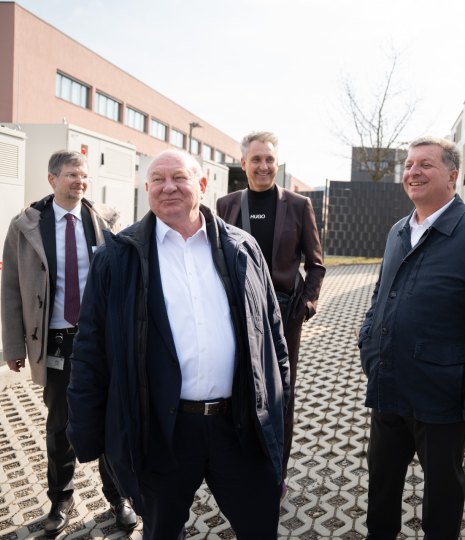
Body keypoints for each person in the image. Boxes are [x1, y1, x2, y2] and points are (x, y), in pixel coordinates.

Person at [66, 149, 290, 539]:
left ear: (202, 185)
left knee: (259, 527)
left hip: (238, 426)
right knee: (162, 531)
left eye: (180, 178)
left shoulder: (243, 249)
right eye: (158, 179)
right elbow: (90, 353)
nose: (168, 187)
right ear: (147, 188)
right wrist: (87, 432)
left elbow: (272, 336)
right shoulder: (117, 258)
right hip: (160, 431)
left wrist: (278, 405)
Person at [358, 136, 465, 539]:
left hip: (442, 396)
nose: (413, 172)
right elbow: (380, 294)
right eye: (409, 165)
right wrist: (368, 344)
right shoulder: (397, 231)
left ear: (452, 175)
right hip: (388, 383)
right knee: (381, 488)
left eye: (425, 164)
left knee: (443, 493)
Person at [0, 150, 135, 536]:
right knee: (60, 424)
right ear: (52, 179)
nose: (80, 181)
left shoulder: (107, 220)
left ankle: (119, 497)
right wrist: (13, 346)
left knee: (112, 419)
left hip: (100, 340)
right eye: (73, 175)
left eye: (85, 176)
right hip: (56, 341)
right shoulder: (26, 226)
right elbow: (11, 288)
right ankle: (60, 500)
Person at [216, 131, 325, 497]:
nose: (263, 166)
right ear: (243, 162)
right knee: (235, 389)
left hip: (283, 315)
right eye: (256, 159)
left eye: (269, 159)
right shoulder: (226, 205)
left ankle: (275, 473)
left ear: (276, 163)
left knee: (281, 395)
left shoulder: (297, 204)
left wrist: (305, 306)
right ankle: (240, 468)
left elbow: (316, 265)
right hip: (234, 315)